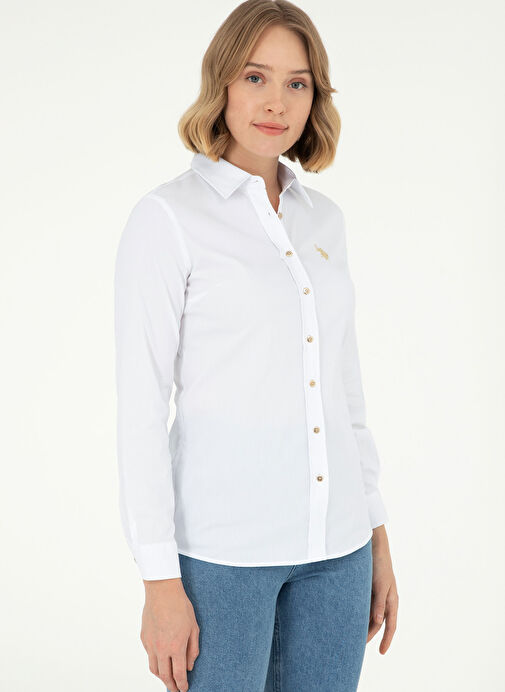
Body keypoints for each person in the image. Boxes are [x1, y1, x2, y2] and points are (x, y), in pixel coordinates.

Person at [113, 1, 399, 690]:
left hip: (339, 552)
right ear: (221, 83)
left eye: (297, 83)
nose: (277, 102)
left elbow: (344, 390)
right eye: (255, 77)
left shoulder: (323, 219)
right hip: (224, 558)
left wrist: (377, 534)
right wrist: (159, 581)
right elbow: (141, 409)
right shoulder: (167, 219)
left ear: (315, 97)